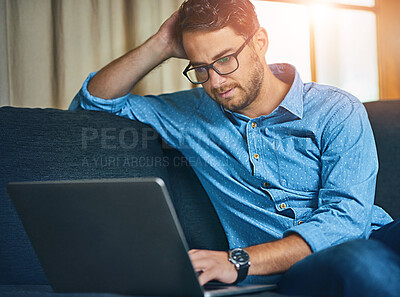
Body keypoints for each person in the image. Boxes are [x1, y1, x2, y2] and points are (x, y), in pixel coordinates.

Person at [69, 0, 400, 296]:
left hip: (373, 235)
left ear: (260, 42)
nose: (215, 82)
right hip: (309, 268)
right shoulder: (190, 115)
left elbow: (347, 222)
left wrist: (236, 260)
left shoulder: (336, 109)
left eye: (224, 59)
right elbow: (92, 105)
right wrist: (160, 45)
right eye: (200, 68)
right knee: (360, 262)